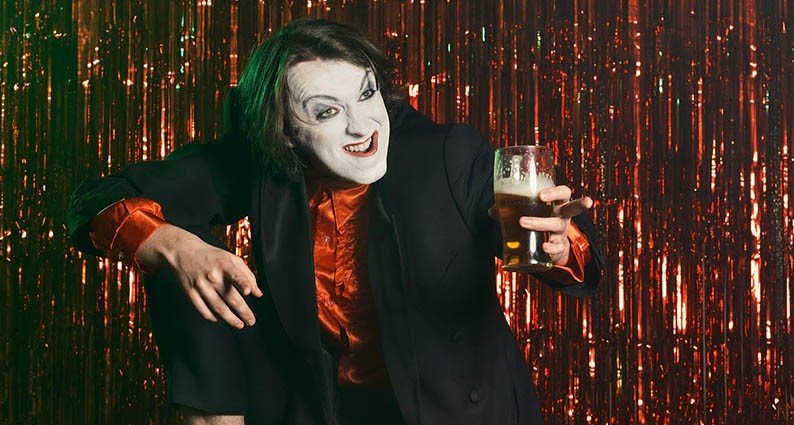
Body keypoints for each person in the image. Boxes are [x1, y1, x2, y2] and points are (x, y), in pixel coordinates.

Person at [66, 19, 604, 425]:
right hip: (325, 409)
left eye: (366, 94)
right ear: (284, 134)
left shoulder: (447, 152)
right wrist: (172, 245)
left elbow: (549, 245)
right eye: (326, 111)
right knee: (173, 241)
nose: (362, 125)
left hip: (455, 409)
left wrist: (557, 247)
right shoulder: (260, 162)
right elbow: (99, 199)